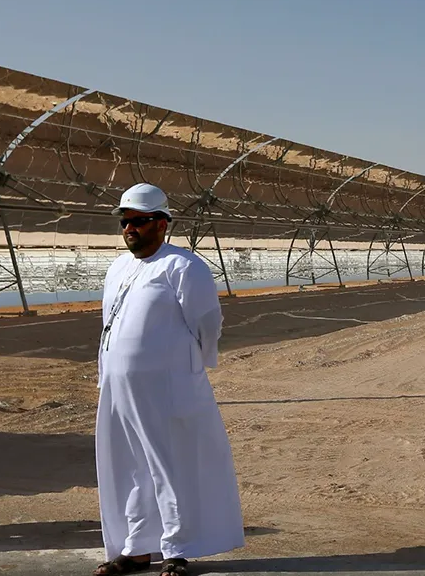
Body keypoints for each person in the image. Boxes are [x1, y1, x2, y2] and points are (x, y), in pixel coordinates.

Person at [93, 183, 244, 576]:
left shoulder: (183, 266)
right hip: (118, 386)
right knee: (130, 465)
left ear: (161, 224)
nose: (130, 228)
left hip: (168, 386)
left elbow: (207, 323)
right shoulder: (117, 267)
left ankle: (176, 548)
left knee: (169, 464)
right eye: (125, 221)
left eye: (139, 221)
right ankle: (138, 547)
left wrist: (193, 365)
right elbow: (109, 325)